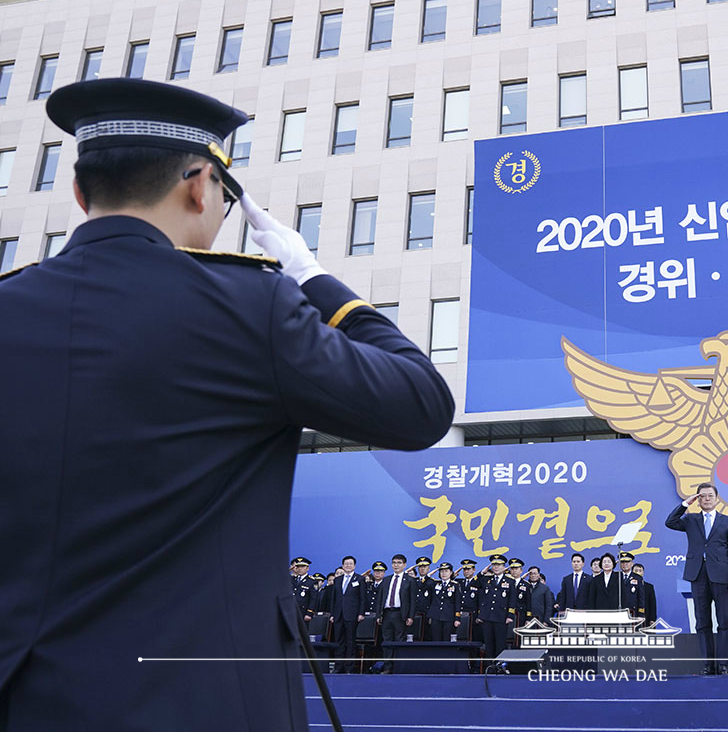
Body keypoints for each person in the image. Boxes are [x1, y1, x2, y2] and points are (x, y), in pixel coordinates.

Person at [0, 78, 455, 728]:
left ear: (79, 193)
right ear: (198, 185)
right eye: (224, 191)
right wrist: (314, 281)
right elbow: (420, 403)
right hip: (201, 703)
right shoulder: (249, 308)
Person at [665, 483, 728, 675]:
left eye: (709, 496)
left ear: (717, 499)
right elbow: (670, 522)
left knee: (724, 620)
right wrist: (685, 504)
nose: (706, 499)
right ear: (697, 500)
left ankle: (722, 664)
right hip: (697, 575)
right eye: (702, 496)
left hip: (722, 576)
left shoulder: (727, 521)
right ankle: (708, 664)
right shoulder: (691, 519)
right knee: (702, 621)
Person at [330, 555, 368, 673]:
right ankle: (338, 667)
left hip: (352, 614)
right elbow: (334, 599)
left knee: (350, 641)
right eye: (346, 564)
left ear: (354, 566)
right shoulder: (337, 580)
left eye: (350, 564)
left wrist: (361, 613)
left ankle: (349, 668)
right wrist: (332, 614)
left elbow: (363, 598)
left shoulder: (360, 579)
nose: (348, 566)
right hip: (338, 615)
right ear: (342, 565)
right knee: (339, 642)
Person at [377, 554, 414, 673]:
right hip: (387, 613)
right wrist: (379, 615)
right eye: (394, 562)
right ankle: (387, 667)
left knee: (399, 641)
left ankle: (399, 667)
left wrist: (410, 616)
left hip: (400, 614)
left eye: (399, 563)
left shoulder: (410, 580)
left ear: (404, 565)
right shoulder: (386, 579)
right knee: (387, 641)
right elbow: (380, 599)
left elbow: (413, 601)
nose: (396, 565)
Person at [476, 554, 516, 659]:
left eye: (499, 565)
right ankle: (489, 667)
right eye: (494, 565)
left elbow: (512, 600)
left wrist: (510, 615)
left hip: (501, 617)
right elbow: (473, 583)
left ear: (504, 567)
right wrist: (481, 573)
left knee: (500, 644)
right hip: (487, 617)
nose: (496, 567)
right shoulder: (486, 579)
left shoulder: (510, 581)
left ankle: (500, 667)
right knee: (488, 644)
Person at [423, 563, 462, 642]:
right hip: (435, 616)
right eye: (441, 571)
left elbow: (458, 603)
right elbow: (421, 584)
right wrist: (429, 575)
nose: (444, 573)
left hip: (449, 617)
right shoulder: (434, 583)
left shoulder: (455, 585)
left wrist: (457, 618)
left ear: (451, 573)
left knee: (447, 640)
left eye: (446, 571)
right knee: (435, 640)